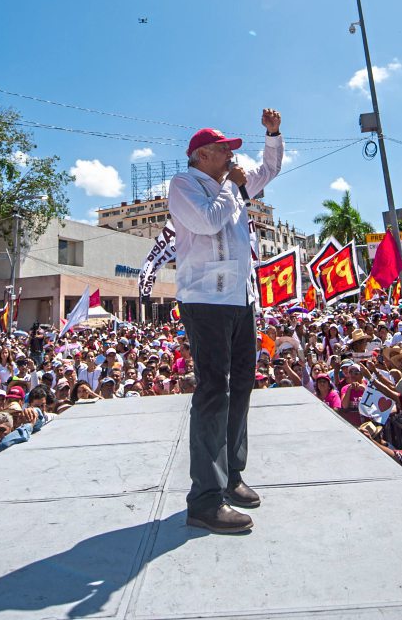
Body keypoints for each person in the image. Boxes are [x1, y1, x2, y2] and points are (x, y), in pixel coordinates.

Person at [167, 109, 283, 534]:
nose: (232, 158)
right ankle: (204, 498)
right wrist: (231, 186)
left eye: (232, 152)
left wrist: (273, 134)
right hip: (205, 301)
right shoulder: (185, 186)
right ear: (202, 155)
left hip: (239, 299)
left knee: (242, 386)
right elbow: (207, 220)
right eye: (224, 151)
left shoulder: (227, 185)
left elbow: (268, 169)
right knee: (214, 391)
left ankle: (231, 476)